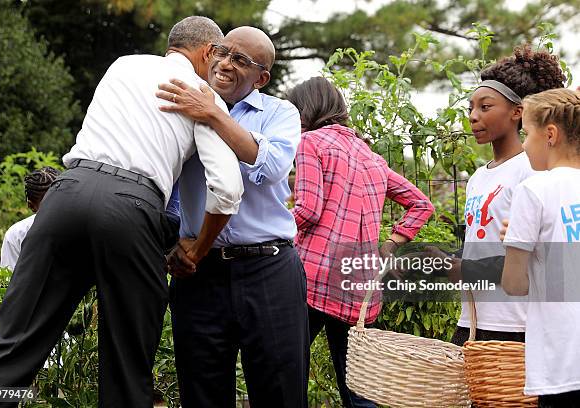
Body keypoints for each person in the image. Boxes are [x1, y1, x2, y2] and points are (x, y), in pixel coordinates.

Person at [0, 16, 243, 408]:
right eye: (216, 59)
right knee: (126, 362)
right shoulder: (202, 94)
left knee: (13, 345)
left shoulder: (122, 64)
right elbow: (228, 188)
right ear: (206, 52)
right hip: (131, 209)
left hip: (66, 194)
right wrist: (197, 250)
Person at [156, 26, 308, 408]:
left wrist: (212, 114)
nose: (225, 63)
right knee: (201, 390)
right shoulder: (184, 107)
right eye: (222, 52)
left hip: (269, 269)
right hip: (198, 271)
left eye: (240, 60)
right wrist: (173, 243)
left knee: (280, 390)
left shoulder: (279, 112)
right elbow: (168, 181)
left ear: (261, 78)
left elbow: (270, 166)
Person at [287, 76, 434, 408]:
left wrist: (274, 230)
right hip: (358, 283)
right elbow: (422, 203)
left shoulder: (310, 142)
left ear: (306, 111)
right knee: (357, 386)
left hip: (312, 277)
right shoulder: (372, 158)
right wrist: (391, 243)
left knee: (284, 373)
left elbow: (308, 209)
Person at [434, 45, 566, 346]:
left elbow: (534, 252)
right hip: (473, 320)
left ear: (517, 113)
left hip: (514, 323)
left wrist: (466, 270)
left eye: (485, 107)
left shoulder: (531, 170)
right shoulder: (479, 177)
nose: (473, 117)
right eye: (470, 108)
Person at [501, 88, 580, 407]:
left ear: (550, 134)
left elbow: (514, 284)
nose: (523, 144)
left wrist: (519, 244)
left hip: (562, 362)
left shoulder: (533, 190)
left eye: (527, 133)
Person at [0, 167, 60, 271]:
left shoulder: (83, 226)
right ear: (31, 206)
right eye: (48, 206)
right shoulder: (17, 235)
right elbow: (7, 280)